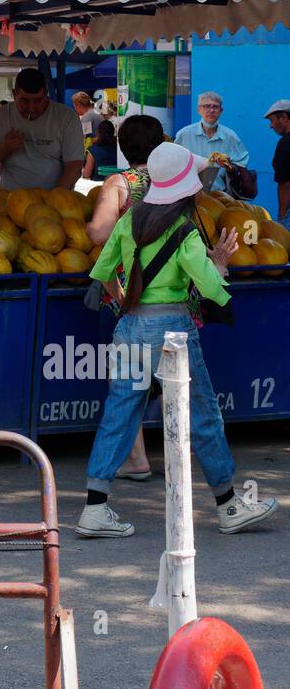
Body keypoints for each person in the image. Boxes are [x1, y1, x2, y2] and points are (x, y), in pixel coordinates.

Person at [77, 141, 278, 539]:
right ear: (186, 185)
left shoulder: (129, 220)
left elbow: (102, 271)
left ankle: (94, 509)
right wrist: (220, 269)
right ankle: (229, 505)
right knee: (203, 416)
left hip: (129, 328)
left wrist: (126, 303)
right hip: (171, 333)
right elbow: (210, 288)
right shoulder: (185, 231)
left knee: (120, 414)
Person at [86, 114, 166, 481]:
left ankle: (137, 458)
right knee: (170, 371)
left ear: (121, 146)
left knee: (128, 374)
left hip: (128, 292)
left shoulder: (119, 183)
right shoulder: (175, 182)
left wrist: (87, 222)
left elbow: (99, 232)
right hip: (173, 289)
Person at [0, 69, 84, 191]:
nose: (31, 108)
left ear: (46, 93)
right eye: (24, 101)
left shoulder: (66, 117)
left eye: (38, 101)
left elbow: (74, 167)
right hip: (10, 203)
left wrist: (53, 199)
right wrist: (3, 150)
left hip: (54, 203)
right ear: (14, 94)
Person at [175, 92, 249, 191]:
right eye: (206, 106)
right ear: (198, 110)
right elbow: (174, 164)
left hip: (220, 195)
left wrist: (229, 166)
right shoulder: (184, 134)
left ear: (221, 111)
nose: (211, 110)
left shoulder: (231, 137)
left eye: (215, 107)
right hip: (189, 194)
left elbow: (241, 167)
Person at [264, 99, 290, 228]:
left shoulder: (285, 143)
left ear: (284, 117)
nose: (271, 126)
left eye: (272, 120)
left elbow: (285, 184)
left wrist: (281, 216)